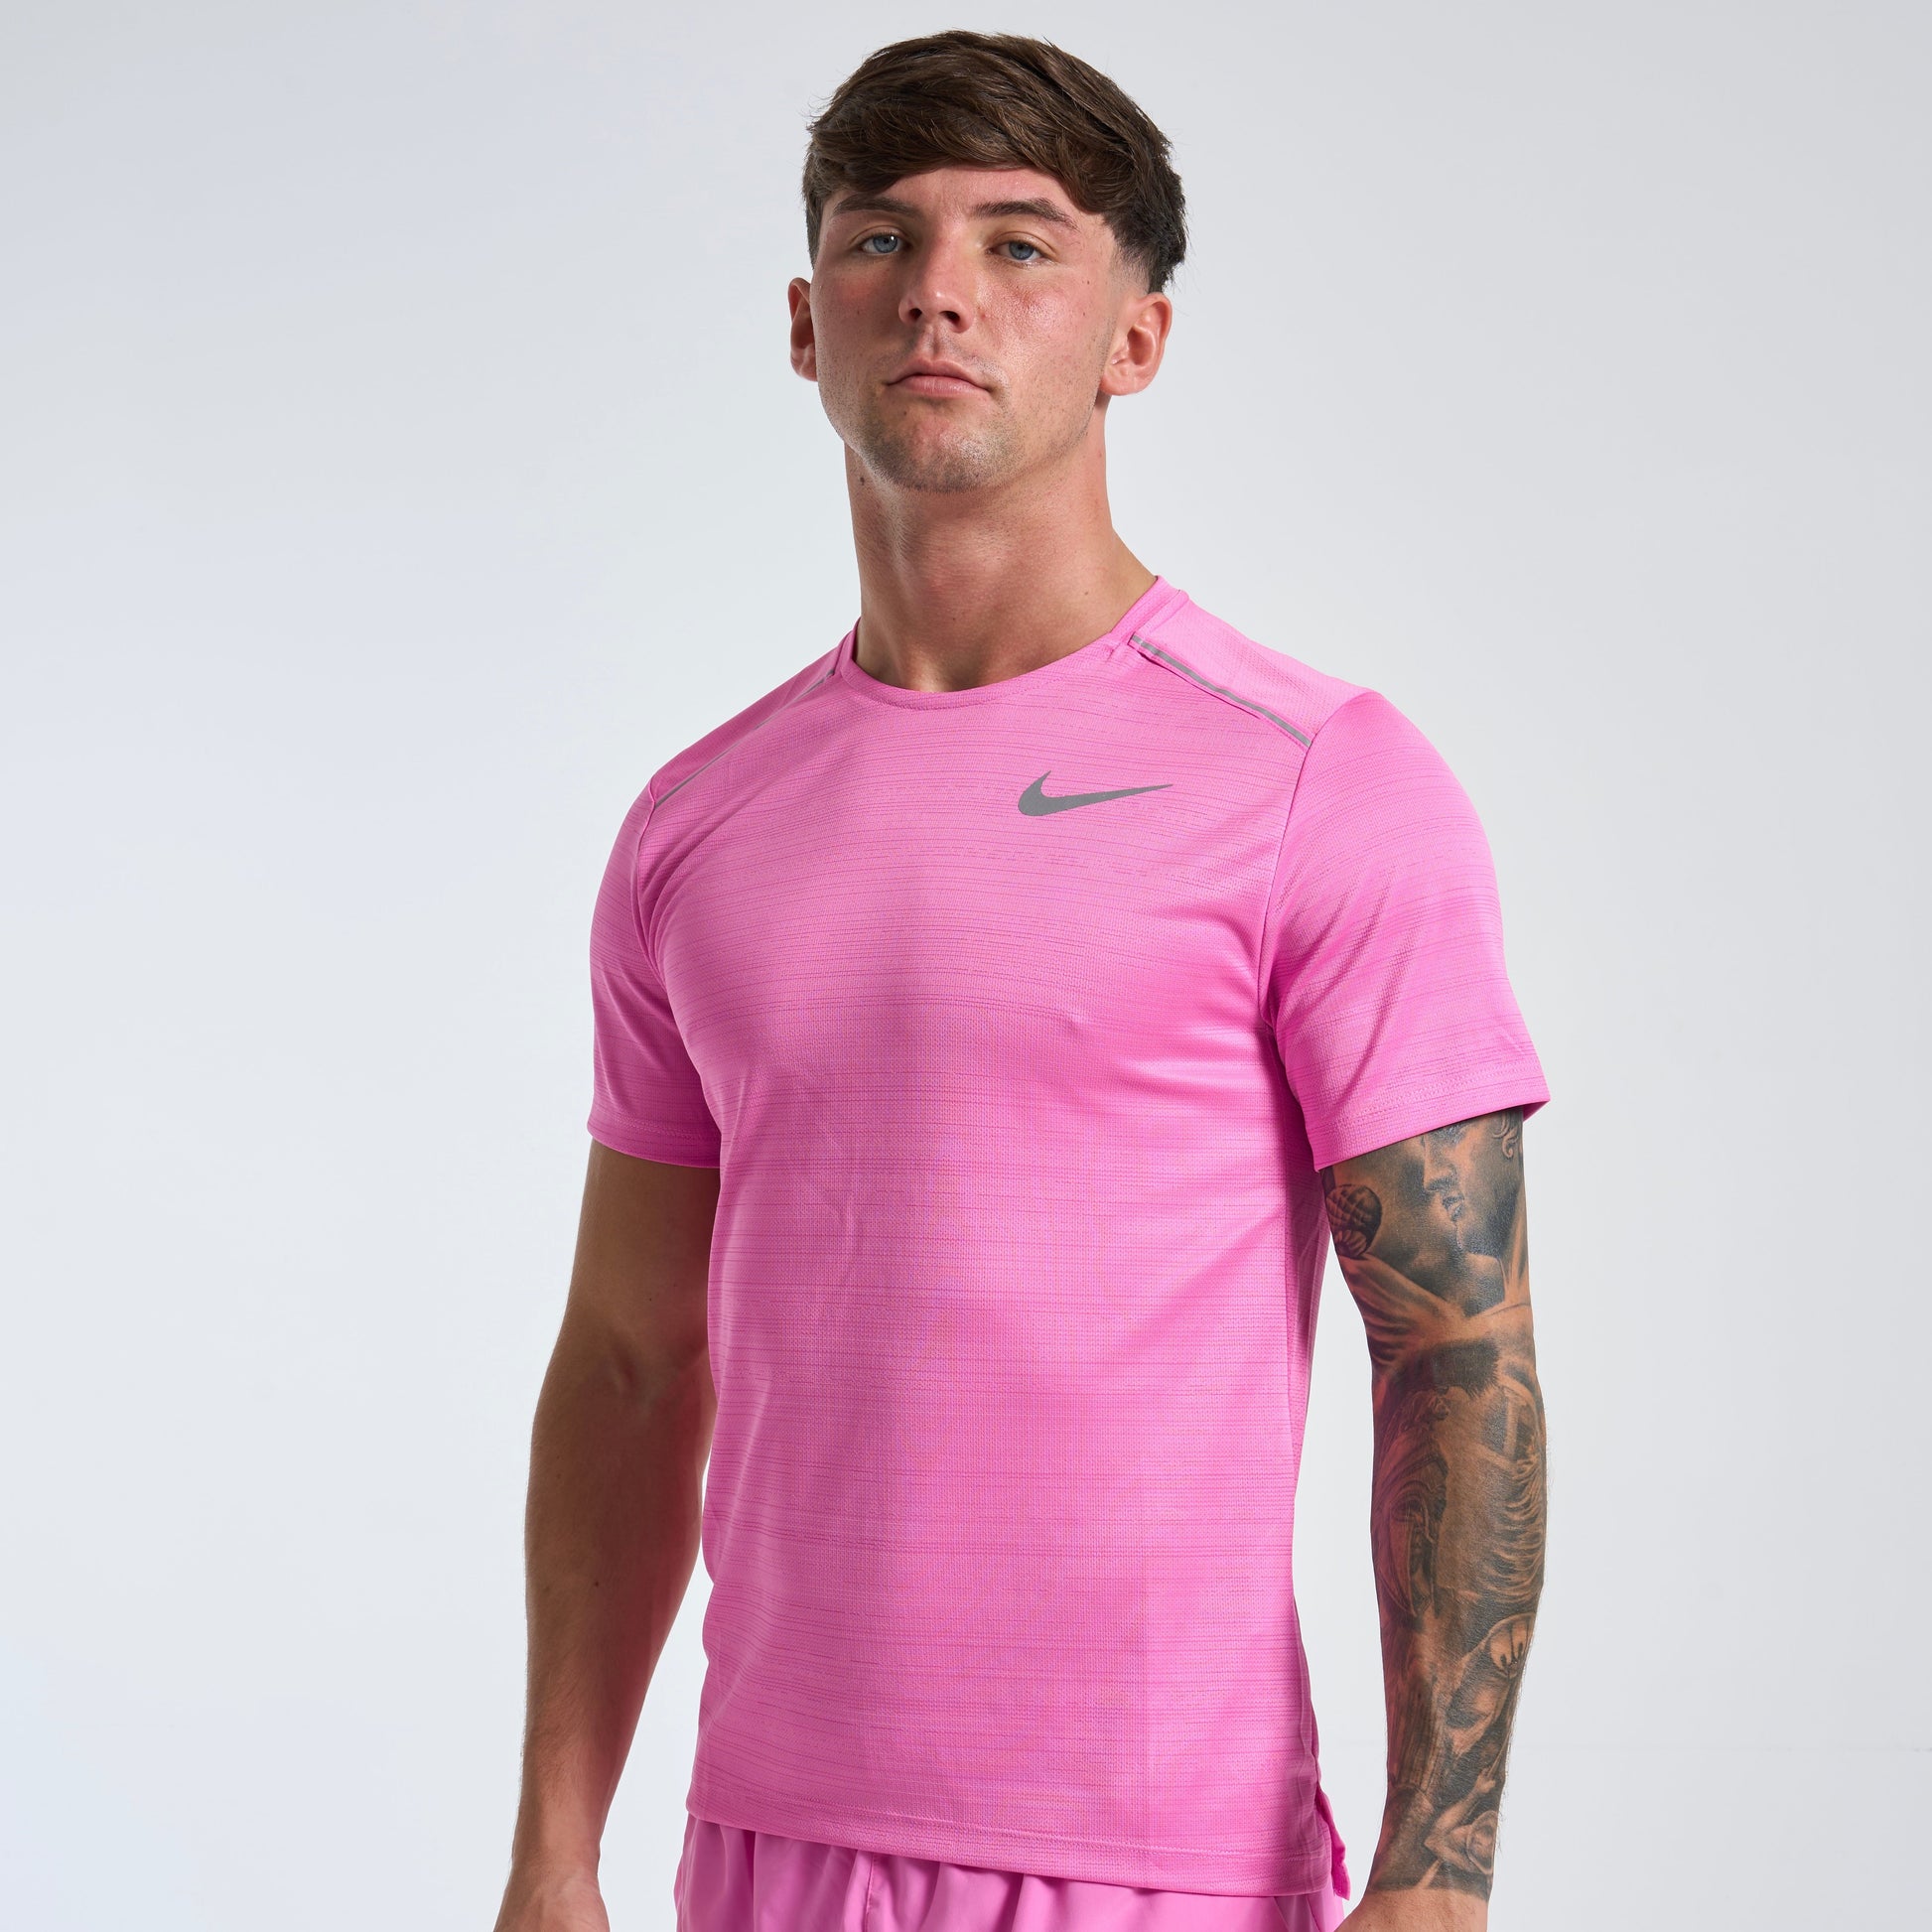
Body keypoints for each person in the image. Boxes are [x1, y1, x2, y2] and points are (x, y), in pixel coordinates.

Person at [490, 30, 1549, 1932]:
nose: (939, 292)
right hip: (766, 1844)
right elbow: (632, 1357)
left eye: (1019, 243)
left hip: (1152, 1856)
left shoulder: (1317, 780)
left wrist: (1435, 1875)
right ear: (805, 323)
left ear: (1136, 338)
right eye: (879, 238)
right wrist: (552, 1852)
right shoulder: (694, 824)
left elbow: (1455, 1351)